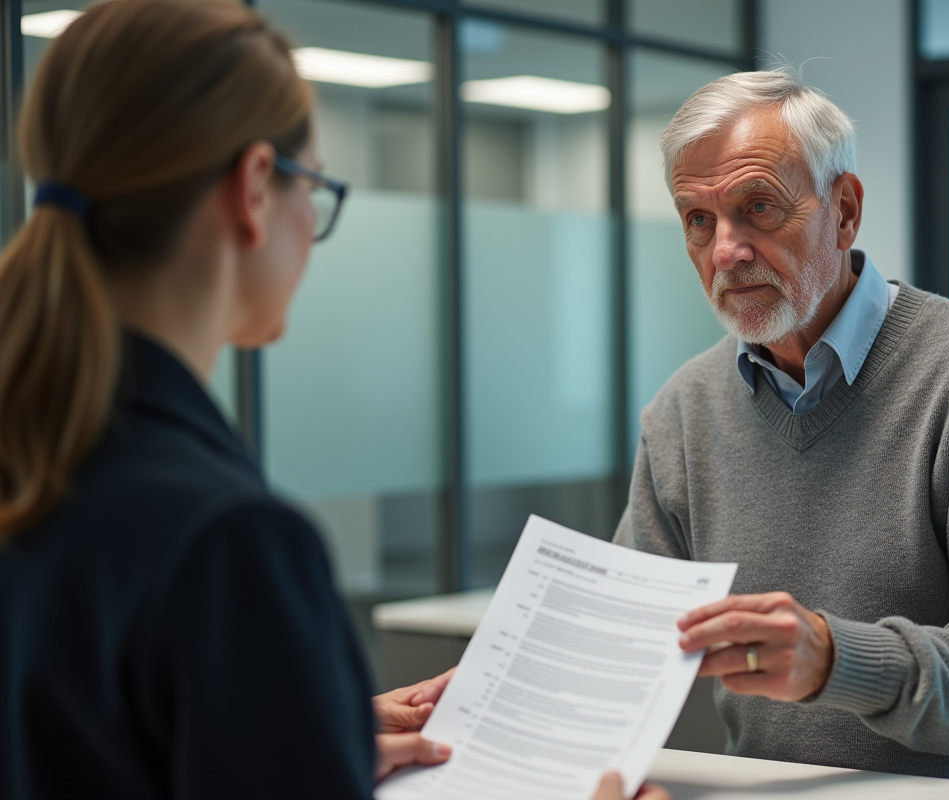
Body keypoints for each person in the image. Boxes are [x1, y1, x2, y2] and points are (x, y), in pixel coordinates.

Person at [0, 2, 665, 798]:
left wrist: (310, 731)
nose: (311, 218)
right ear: (253, 188)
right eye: (312, 186)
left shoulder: (41, 465)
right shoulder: (228, 542)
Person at [615, 69, 949, 790]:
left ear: (843, 210)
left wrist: (839, 663)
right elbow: (623, 637)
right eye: (699, 219)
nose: (725, 252)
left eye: (758, 209)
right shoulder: (684, 409)